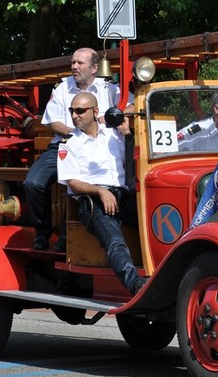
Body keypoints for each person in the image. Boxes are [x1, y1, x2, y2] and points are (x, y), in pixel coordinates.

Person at [24, 47, 130, 251]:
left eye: (80, 63)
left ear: (94, 68)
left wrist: (108, 117)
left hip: (99, 146)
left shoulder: (108, 89)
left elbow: (133, 105)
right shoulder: (63, 88)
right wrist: (75, 135)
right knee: (33, 183)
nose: (74, 66)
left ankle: (67, 234)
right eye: (73, 62)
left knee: (96, 181)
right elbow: (52, 122)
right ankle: (42, 232)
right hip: (65, 144)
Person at [57, 92, 146, 296]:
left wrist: (127, 134)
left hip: (124, 195)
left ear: (95, 111)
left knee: (157, 216)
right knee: (115, 241)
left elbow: (134, 162)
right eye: (72, 111)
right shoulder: (69, 143)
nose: (74, 116)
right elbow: (73, 182)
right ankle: (137, 287)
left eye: (80, 111)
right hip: (93, 201)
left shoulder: (114, 134)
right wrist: (100, 191)